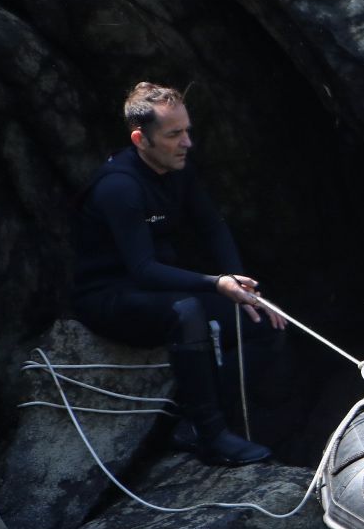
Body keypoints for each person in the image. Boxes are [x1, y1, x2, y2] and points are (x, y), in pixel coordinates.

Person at [71, 83, 284, 466]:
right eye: (174, 134)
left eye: (187, 131)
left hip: (156, 288)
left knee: (264, 321)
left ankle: (193, 421)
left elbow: (212, 225)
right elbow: (143, 268)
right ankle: (211, 435)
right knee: (187, 311)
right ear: (141, 138)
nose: (187, 142)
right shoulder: (119, 186)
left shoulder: (177, 168)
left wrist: (239, 281)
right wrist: (215, 284)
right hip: (110, 295)